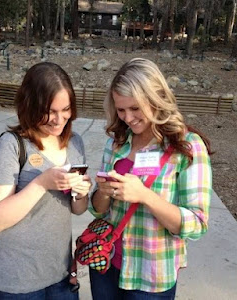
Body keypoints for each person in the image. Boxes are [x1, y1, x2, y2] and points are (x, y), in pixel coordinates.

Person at [89, 58, 212, 300]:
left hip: (150, 279)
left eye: (135, 108)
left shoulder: (186, 147)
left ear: (156, 99)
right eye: (121, 109)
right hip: (105, 265)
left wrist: (145, 196)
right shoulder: (117, 144)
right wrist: (103, 192)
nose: (127, 117)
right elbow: (99, 211)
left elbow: (197, 224)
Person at [0, 62, 91, 299]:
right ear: (30, 105)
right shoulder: (10, 146)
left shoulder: (75, 142)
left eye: (66, 110)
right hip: (15, 280)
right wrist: (41, 183)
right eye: (50, 111)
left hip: (59, 273)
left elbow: (78, 209)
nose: (59, 120)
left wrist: (81, 192)